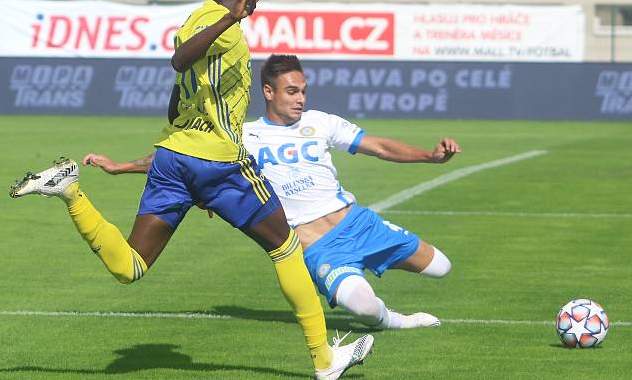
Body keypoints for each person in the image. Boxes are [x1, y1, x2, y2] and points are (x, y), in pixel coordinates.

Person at [9, 0, 372, 380]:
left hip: (174, 157)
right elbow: (180, 62)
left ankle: (70, 190)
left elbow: (175, 99)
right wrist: (231, 20)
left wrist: (194, 176)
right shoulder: (224, 28)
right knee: (287, 246)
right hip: (219, 161)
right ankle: (323, 360)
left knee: (130, 266)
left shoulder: (193, 18)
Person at [83, 54, 458, 330]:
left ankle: (380, 255)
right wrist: (121, 166)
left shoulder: (320, 122)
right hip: (316, 247)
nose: (300, 99)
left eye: (303, 91)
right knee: (362, 307)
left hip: (359, 223)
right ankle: (391, 320)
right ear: (268, 91)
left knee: (441, 267)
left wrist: (430, 156)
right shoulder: (242, 136)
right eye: (292, 91)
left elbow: (379, 146)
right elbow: (180, 156)